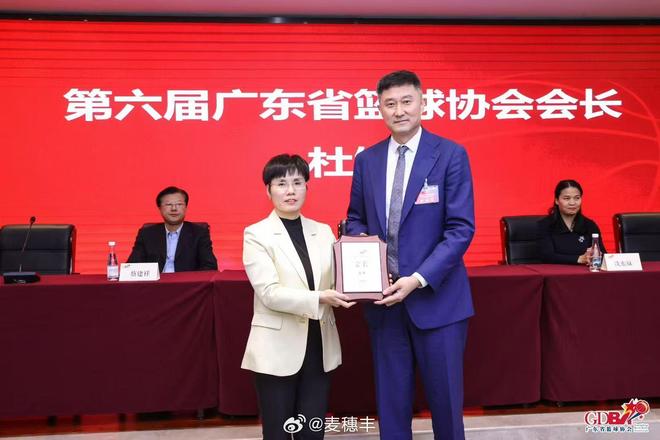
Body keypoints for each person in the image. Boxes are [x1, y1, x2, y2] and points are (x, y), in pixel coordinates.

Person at [346, 70, 475, 439]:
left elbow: (460, 229)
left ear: (423, 102)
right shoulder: (367, 160)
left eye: (406, 101)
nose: (399, 110)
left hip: (438, 302)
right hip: (384, 303)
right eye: (390, 104)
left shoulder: (450, 155)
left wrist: (417, 279)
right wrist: (364, 255)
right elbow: (355, 218)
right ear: (379, 109)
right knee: (391, 408)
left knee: (446, 408)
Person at [242, 154, 355, 439]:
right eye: (281, 184)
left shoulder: (323, 231)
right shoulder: (256, 234)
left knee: (312, 431)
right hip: (276, 348)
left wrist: (366, 282)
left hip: (319, 345)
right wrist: (320, 298)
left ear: (307, 187)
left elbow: (339, 279)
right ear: (268, 190)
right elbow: (269, 293)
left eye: (297, 182)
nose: (290, 191)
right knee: (278, 432)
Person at [127, 186, 218, 272]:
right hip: (156, 282)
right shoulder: (147, 234)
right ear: (160, 208)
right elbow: (132, 267)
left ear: (185, 207)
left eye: (179, 204)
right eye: (168, 204)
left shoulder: (199, 233)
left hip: (187, 282)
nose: (174, 208)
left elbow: (210, 267)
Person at [537, 179, 606, 264]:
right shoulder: (545, 225)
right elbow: (547, 256)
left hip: (584, 271)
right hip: (555, 271)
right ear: (557, 200)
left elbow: (602, 254)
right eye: (567, 198)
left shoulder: (590, 225)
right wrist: (579, 259)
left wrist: (594, 256)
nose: (572, 203)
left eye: (577, 198)